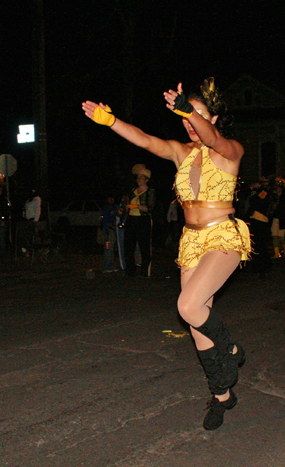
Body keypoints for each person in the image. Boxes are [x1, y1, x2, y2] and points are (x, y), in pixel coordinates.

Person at [82, 78, 251, 430]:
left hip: (222, 236)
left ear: (214, 118)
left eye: (197, 116)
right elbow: (145, 140)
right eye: (184, 117)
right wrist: (112, 122)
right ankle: (222, 394)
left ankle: (232, 349)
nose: (188, 123)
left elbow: (214, 139)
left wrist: (189, 109)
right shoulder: (181, 152)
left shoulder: (229, 149)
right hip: (190, 240)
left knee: (187, 306)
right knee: (196, 322)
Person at [123, 165, 156, 277]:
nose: (139, 179)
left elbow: (150, 208)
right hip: (131, 219)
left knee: (144, 246)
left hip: (143, 220)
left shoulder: (150, 192)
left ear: (146, 179)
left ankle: (144, 271)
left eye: (141, 177)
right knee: (128, 246)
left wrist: (136, 206)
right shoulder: (133, 191)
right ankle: (130, 270)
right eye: (138, 177)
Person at [100, 196, 122, 273]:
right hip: (108, 231)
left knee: (111, 249)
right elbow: (104, 220)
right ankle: (106, 267)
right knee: (108, 249)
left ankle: (111, 266)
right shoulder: (106, 208)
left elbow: (119, 214)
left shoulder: (113, 207)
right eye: (109, 198)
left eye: (112, 198)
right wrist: (107, 231)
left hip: (113, 230)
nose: (111, 200)